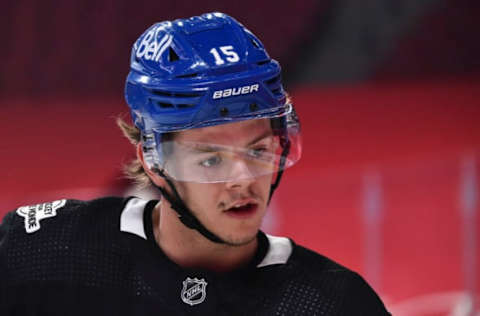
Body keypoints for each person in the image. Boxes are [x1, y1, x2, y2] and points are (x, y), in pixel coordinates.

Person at [0, 12, 390, 315]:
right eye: (210, 160)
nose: (242, 180)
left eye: (257, 151)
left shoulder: (335, 303)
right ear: (153, 163)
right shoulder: (40, 253)